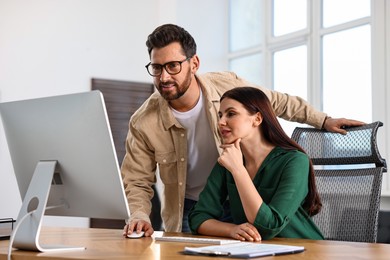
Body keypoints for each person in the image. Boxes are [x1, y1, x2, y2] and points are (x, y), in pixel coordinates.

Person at [122, 23, 364, 237]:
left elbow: (273, 101)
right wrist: (139, 215)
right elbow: (136, 180)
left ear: (193, 63)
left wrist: (322, 120)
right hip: (195, 205)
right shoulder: (144, 121)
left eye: (173, 66)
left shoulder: (226, 86)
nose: (164, 77)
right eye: (156, 68)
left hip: (244, 195)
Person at [188, 86, 324, 241]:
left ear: (257, 119)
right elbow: (198, 218)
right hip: (256, 251)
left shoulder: (295, 161)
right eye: (220, 115)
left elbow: (268, 227)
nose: (221, 122)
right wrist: (231, 230)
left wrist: (238, 170)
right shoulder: (228, 161)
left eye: (231, 114)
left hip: (306, 251)